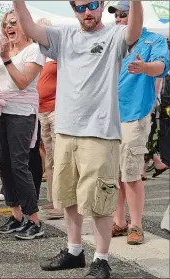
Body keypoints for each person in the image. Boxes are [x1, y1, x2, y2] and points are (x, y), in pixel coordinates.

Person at [13, 0, 143, 277]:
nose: (86, 12)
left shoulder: (114, 35)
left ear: (102, 4)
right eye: (79, 7)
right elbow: (30, 28)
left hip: (100, 132)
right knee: (68, 196)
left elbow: (133, 32)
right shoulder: (64, 35)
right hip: (66, 130)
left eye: (92, 5)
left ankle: (101, 259)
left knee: (98, 200)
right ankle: (74, 252)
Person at [109, 1, 170, 245]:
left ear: (136, 15)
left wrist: (144, 67)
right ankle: (119, 222)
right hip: (108, 118)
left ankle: (135, 224)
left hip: (134, 115)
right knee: (113, 174)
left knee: (131, 173)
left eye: (124, 14)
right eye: (116, 15)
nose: (119, 19)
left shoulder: (153, 40)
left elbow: (162, 67)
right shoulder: (112, 40)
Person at [0, 10, 45, 240]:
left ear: (25, 26)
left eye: (13, 22)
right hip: (0, 110)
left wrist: (5, 59)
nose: (8, 27)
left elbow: (23, 82)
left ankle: (33, 219)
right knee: (3, 163)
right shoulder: (4, 51)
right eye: (5, 24)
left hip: (22, 113)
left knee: (19, 164)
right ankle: (15, 215)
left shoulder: (34, 50)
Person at [35, 18, 63, 219]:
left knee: (59, 157)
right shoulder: (38, 53)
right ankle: (53, 200)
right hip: (41, 111)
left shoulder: (58, 53)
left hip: (55, 110)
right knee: (50, 158)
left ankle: (61, 203)